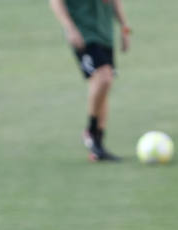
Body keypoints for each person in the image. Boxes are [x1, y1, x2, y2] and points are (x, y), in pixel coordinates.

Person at [49, 0, 130, 161]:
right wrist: (69, 28)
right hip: (84, 33)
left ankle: (97, 146)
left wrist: (124, 28)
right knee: (103, 78)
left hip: (105, 34)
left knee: (104, 85)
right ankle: (91, 131)